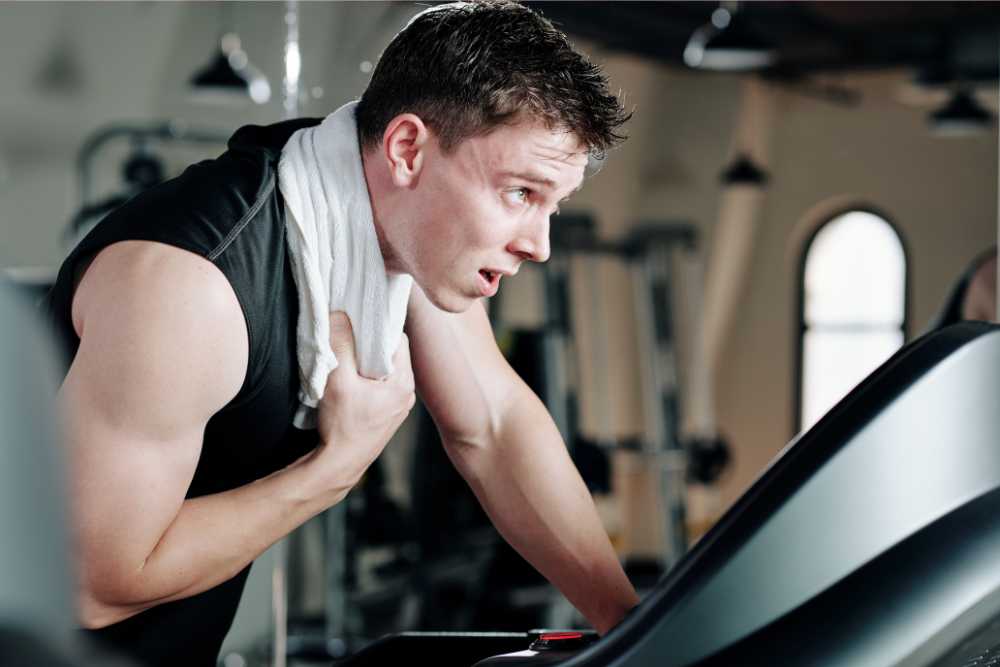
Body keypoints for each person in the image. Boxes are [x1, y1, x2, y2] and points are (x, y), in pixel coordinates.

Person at [44, 2, 640, 665]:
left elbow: (493, 425)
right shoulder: (190, 289)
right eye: (521, 193)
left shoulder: (394, 227)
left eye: (552, 206)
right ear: (408, 149)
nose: (540, 245)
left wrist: (638, 626)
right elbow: (86, 584)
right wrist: (334, 469)